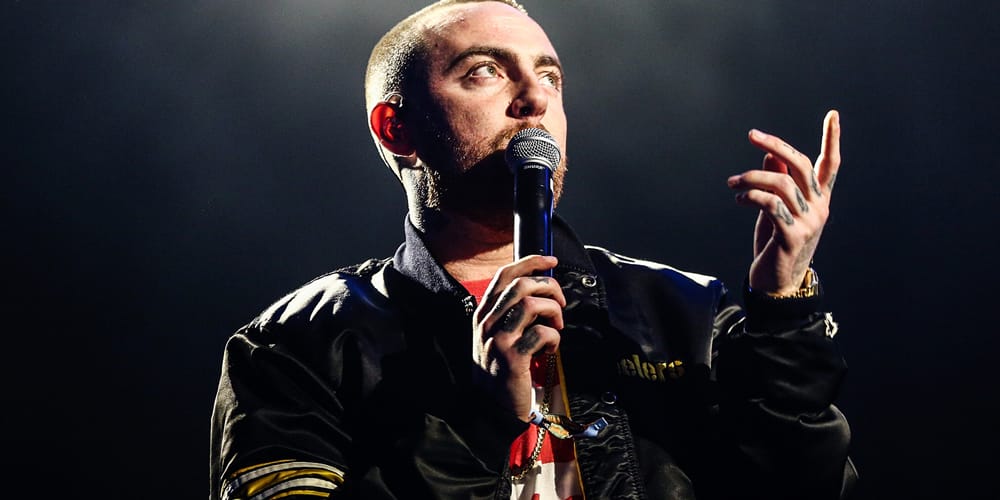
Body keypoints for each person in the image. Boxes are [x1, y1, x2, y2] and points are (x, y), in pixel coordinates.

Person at [209, 1, 857, 499]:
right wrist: (482, 422)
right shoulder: (296, 347)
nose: (536, 97)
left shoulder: (685, 312)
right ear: (396, 128)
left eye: (550, 76)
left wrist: (782, 311)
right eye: (485, 71)